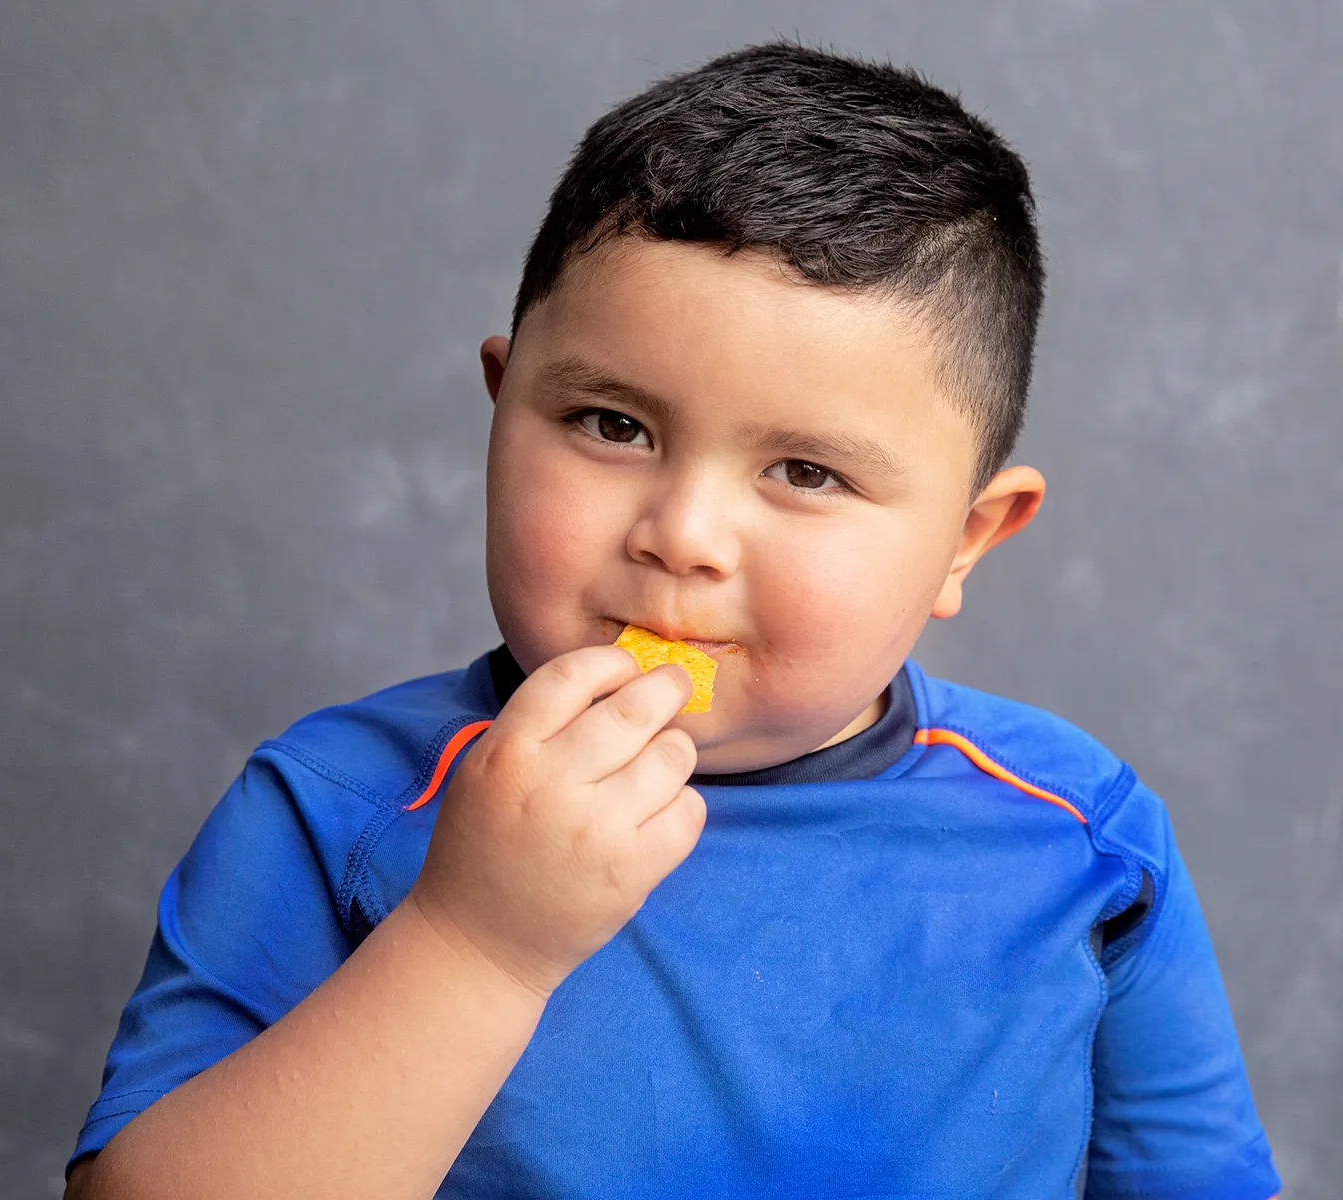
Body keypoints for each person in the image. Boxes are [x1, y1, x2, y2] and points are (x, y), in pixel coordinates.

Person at [65, 42, 1281, 1200]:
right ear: (501, 408)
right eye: (610, 424)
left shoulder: (1083, 838)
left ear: (966, 539)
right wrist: (474, 944)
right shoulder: (337, 807)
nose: (680, 535)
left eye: (806, 472)